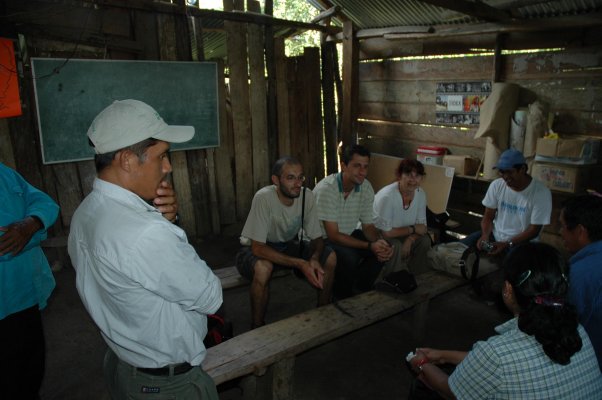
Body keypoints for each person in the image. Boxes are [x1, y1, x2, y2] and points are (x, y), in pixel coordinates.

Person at [68, 99, 223, 400]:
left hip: (123, 365)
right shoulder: (145, 233)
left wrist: (167, 222)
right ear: (127, 160)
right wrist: (171, 230)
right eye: (161, 156)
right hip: (166, 386)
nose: (167, 167)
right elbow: (210, 296)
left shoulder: (86, 213)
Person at [407, 242, 602, 399]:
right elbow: (502, 364)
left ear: (508, 290)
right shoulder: (576, 330)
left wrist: (423, 364)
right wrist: (442, 356)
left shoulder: (496, 353)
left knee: (423, 390)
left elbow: (450, 391)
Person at [236, 156, 336, 328]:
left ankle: (323, 309)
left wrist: (313, 258)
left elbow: (317, 239)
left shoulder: (307, 196)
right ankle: (257, 326)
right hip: (256, 248)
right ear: (276, 180)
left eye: (300, 177)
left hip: (286, 246)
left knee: (330, 257)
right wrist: (300, 263)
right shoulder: (263, 198)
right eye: (290, 178)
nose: (298, 183)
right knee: (263, 268)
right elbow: (258, 248)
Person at [0, 162, 59, 400]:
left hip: (25, 295)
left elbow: (45, 204)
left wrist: (31, 223)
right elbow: (5, 247)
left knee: (30, 367)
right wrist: (28, 236)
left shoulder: (4, 174)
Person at [313, 144, 393, 299]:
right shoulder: (327, 189)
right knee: (349, 257)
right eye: (357, 166)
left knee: (382, 250)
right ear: (343, 166)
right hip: (319, 240)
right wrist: (370, 245)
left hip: (345, 234)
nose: (362, 172)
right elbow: (333, 235)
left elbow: (368, 226)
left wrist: (380, 242)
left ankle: (358, 291)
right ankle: (342, 297)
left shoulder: (366, 187)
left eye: (365, 167)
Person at [461, 148, 552, 255]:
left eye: (509, 172)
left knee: (510, 263)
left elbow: (534, 230)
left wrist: (507, 243)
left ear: (522, 169)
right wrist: (485, 235)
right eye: (502, 172)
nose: (505, 176)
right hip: (495, 236)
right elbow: (488, 216)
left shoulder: (541, 193)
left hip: (523, 242)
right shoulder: (496, 185)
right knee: (462, 247)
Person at [559, 194, 602, 369]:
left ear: (580, 232)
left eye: (562, 226)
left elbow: (563, 329)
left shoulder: (578, 274)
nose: (560, 232)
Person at [373, 159, 431, 284]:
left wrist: (410, 239)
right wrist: (413, 229)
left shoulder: (421, 194)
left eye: (417, 176)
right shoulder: (387, 196)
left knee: (425, 241)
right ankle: (394, 282)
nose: (413, 180)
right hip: (377, 234)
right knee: (396, 245)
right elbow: (386, 233)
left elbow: (423, 228)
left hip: (400, 233)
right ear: (399, 176)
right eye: (408, 175)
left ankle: (417, 278)